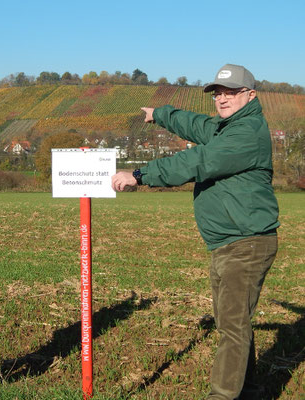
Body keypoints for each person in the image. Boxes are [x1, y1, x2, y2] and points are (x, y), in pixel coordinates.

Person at [111, 64, 279, 400]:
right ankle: (250, 390)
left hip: (246, 242)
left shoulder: (244, 134)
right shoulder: (225, 127)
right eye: (218, 93)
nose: (222, 99)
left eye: (230, 92)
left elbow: (197, 162)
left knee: (232, 327)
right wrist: (160, 113)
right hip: (228, 242)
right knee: (235, 322)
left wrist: (140, 175)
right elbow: (196, 124)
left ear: (250, 94)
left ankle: (223, 395)